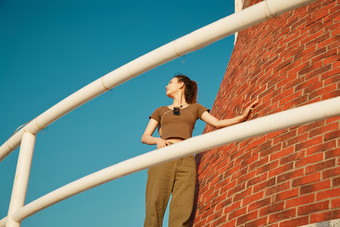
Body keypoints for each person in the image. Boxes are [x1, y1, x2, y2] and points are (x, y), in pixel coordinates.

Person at [141, 74, 258, 227]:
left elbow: (217, 122)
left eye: (170, 82)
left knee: (182, 209)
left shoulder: (195, 108)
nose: (166, 86)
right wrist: (158, 140)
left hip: (186, 158)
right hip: (164, 155)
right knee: (154, 206)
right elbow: (145, 137)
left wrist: (241, 117)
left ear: (181, 85)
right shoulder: (160, 110)